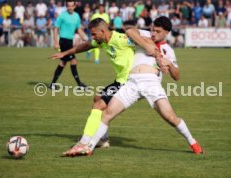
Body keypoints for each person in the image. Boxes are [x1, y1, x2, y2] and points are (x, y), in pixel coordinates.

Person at [62, 16, 203, 156]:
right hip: (132, 82)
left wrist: (168, 63)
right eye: (153, 29)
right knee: (107, 113)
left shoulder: (169, 51)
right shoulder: (145, 35)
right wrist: (149, 46)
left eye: (158, 32)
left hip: (151, 83)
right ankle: (89, 147)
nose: (154, 33)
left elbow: (177, 76)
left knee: (170, 117)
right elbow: (129, 31)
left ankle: (193, 142)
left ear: (166, 33)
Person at [49, 17, 156, 150]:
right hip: (120, 81)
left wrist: (155, 53)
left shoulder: (121, 40)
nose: (92, 37)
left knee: (99, 104)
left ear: (102, 31)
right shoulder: (102, 42)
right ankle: (102, 139)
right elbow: (86, 45)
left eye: (94, 34)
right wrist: (65, 53)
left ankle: (85, 141)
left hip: (128, 82)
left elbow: (143, 42)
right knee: (98, 99)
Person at [49, 0, 86, 90]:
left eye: (71, 6)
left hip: (70, 41)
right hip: (64, 41)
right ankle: (79, 84)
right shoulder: (62, 15)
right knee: (73, 61)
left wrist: (85, 38)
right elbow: (56, 28)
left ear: (74, 6)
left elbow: (79, 29)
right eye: (68, 6)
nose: (70, 7)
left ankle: (52, 84)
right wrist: (55, 42)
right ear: (67, 6)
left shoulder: (77, 16)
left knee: (63, 62)